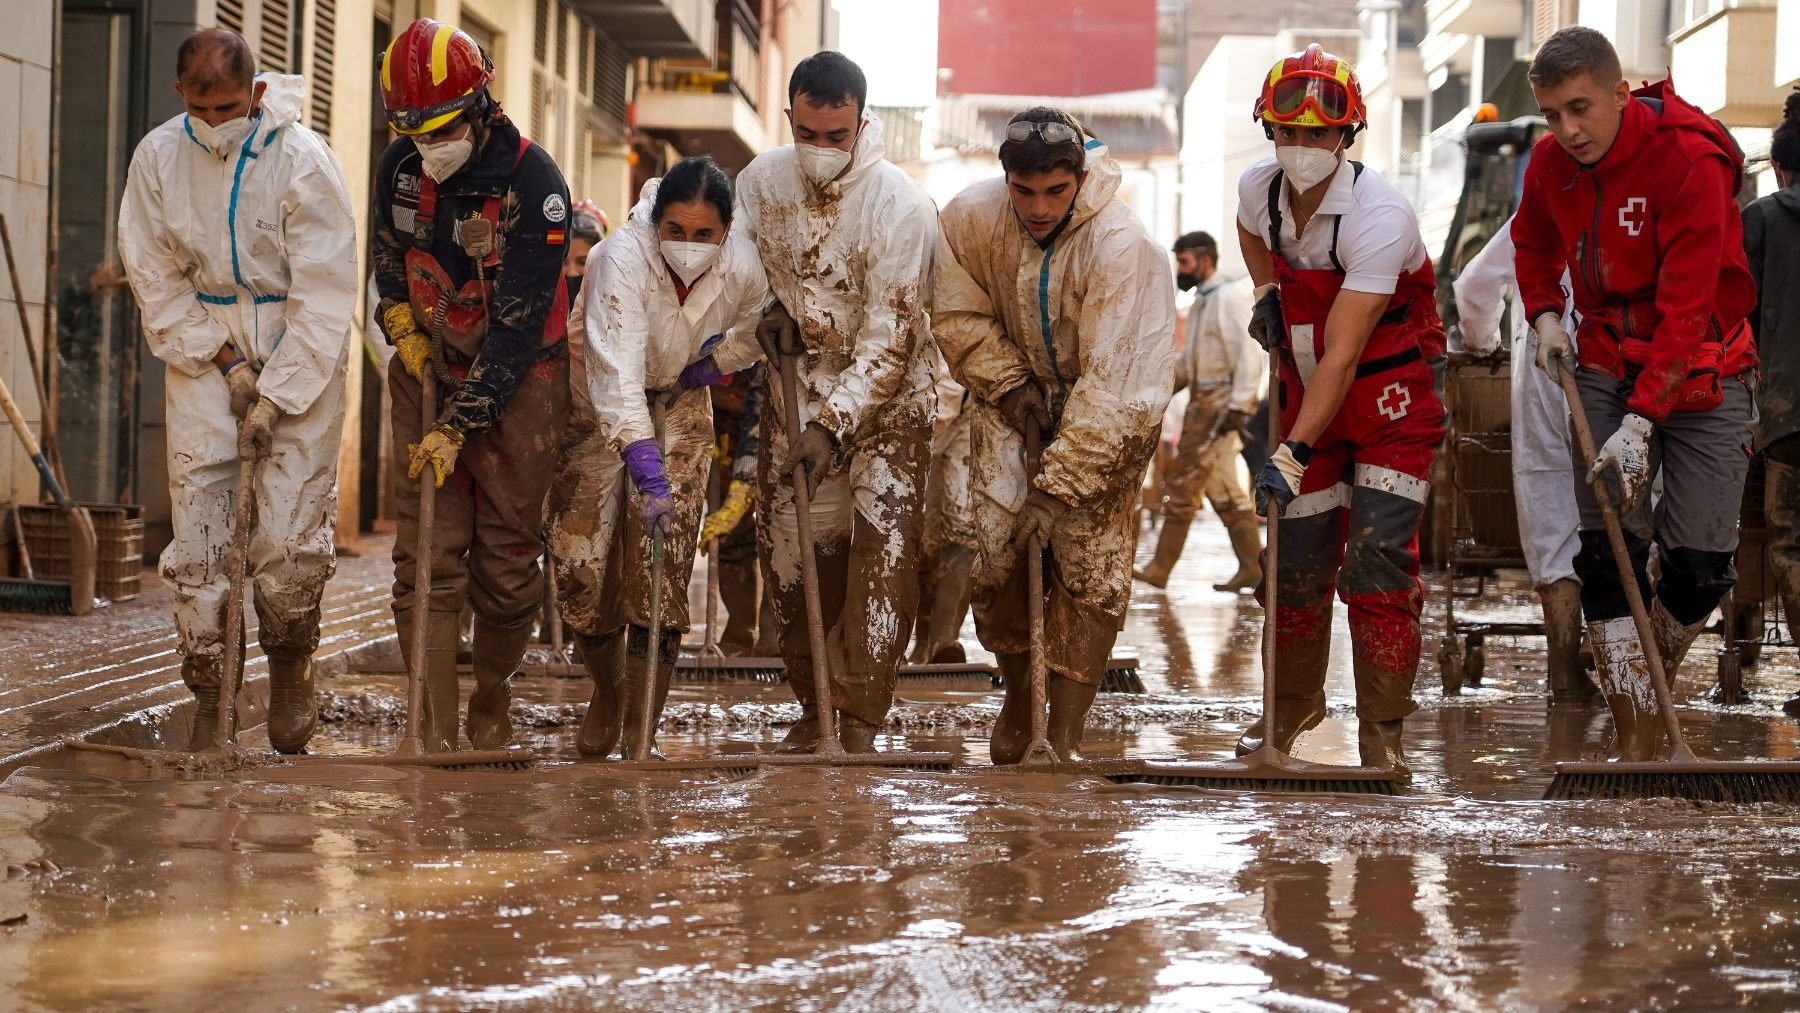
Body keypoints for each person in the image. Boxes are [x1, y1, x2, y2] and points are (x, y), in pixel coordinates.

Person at [1512, 27, 1757, 760]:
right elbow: (1532, 244)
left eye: (1580, 108)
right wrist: (1546, 313)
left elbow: (1688, 310)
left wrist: (1645, 421)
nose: (1567, 130)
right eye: (1553, 114)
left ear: (1622, 93)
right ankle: (1636, 735)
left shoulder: (1689, 160)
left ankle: (1642, 658)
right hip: (1604, 359)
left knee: (1701, 566)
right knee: (1607, 545)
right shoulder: (1550, 163)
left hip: (1706, 365)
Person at [118, 29, 357, 753]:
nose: (215, 121)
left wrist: (277, 394)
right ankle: (211, 692)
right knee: (199, 540)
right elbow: (153, 274)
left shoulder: (303, 162)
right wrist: (223, 361)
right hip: (203, 351)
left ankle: (290, 664)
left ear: (255, 93)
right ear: (179, 96)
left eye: (228, 106)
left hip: (298, 349)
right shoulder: (158, 158)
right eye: (201, 106)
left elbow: (325, 293)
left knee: (286, 535)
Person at [934, 107, 1176, 762]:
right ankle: (1018, 698)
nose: (1038, 207)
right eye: (1024, 191)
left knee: (1090, 562)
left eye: (1055, 192)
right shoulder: (969, 218)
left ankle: (1065, 731)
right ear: (1006, 178)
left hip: (1113, 408)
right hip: (1013, 397)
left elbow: (1118, 388)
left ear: (1079, 177)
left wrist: (1058, 489)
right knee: (993, 547)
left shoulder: (1125, 247)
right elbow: (956, 312)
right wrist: (1011, 387)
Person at [1235, 44, 1448, 780]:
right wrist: (1266, 291)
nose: (1301, 148)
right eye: (1288, 133)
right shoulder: (1257, 193)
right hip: (1305, 389)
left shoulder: (1379, 216)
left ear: (1347, 135)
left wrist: (1290, 451)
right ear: (1270, 132)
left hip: (1389, 400)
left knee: (1378, 559)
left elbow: (1345, 354)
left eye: (1318, 135)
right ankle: (1290, 709)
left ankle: (1382, 729)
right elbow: (1249, 236)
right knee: (1294, 562)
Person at [371, 18, 572, 753]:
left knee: (506, 564)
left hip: (524, 384)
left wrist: (459, 425)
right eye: (414, 132)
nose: (429, 150)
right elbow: (389, 260)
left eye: (442, 130)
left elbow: (518, 328)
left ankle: (492, 692)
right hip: (428, 368)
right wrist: (402, 324)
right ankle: (432, 722)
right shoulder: (401, 167)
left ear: (481, 107)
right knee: (426, 552)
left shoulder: (535, 185)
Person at [733, 52, 939, 754]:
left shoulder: (901, 206)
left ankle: (857, 718)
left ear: (862, 121)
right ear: (790, 116)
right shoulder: (758, 182)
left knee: (881, 565)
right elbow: (738, 271)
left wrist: (831, 426)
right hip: (795, 393)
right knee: (792, 568)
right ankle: (815, 702)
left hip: (890, 405)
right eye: (809, 134)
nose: (822, 150)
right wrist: (762, 308)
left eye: (837, 136)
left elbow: (892, 339)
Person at [547, 157, 769, 760]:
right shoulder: (617, 258)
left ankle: (642, 728)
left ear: (725, 231)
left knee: (662, 573)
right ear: (656, 224)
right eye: (676, 231)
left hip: (680, 401)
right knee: (580, 565)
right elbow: (614, 373)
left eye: (704, 235)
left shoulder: (744, 266)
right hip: (595, 399)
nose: (689, 246)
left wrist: (703, 369)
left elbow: (753, 335)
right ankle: (610, 694)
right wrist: (646, 472)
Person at [1453, 219, 1592, 704]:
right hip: (1617, 369)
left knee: (1553, 513)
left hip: (1541, 373)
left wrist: (1482, 343)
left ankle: (1564, 676)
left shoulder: (1534, 214)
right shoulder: (1639, 198)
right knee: (1634, 507)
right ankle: (1628, 676)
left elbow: (1473, 285)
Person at [1135, 230, 1264, 592]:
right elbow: (1190, 364)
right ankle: (1253, 568)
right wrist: (1158, 390)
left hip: (1218, 405)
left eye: (1185, 261)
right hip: (1202, 403)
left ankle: (1160, 569)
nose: (1181, 269)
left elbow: (1248, 355)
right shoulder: (1205, 300)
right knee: (1224, 490)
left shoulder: (1227, 298)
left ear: (1204, 259)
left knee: (1183, 487)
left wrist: (1239, 407)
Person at [1739, 88, 1800, 717]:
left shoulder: (1759, 221)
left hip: (1787, 418)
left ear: (1779, 169)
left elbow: (1734, 313)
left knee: (1789, 543)